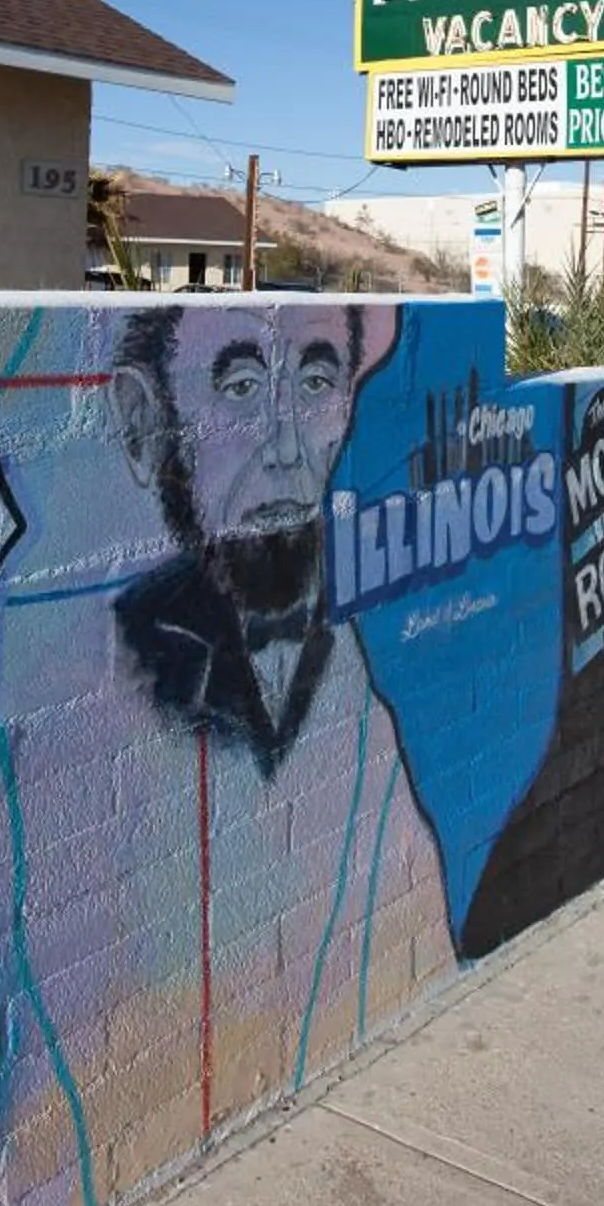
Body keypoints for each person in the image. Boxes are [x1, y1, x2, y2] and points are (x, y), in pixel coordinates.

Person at [109, 300, 453, 1114]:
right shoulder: (119, 663)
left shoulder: (370, 632)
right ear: (143, 426)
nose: (287, 448)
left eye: (316, 381)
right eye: (235, 388)